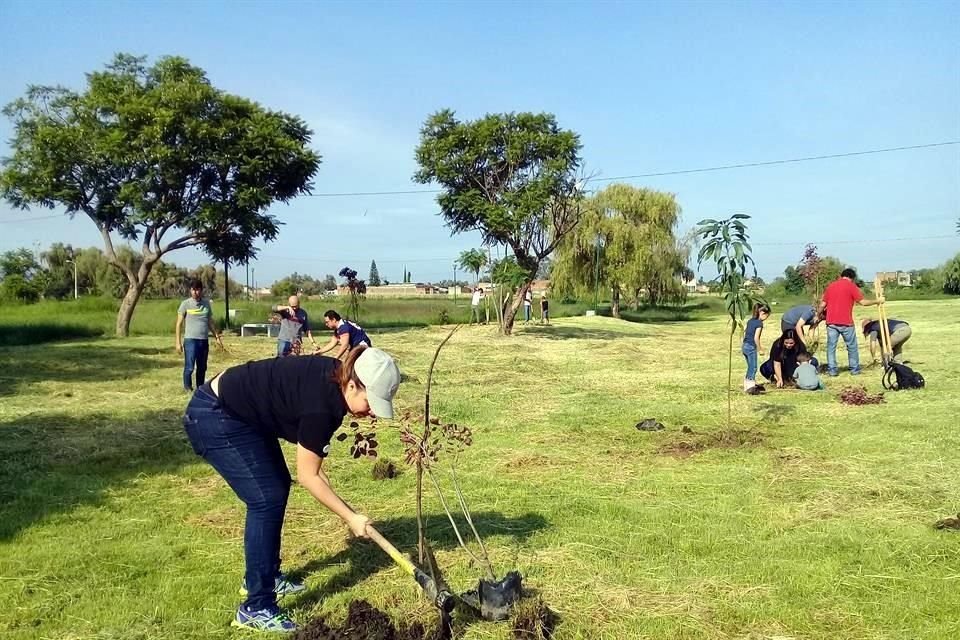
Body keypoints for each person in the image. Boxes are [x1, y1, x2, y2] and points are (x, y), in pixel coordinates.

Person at [182, 346, 401, 632]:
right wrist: (351, 518)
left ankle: (266, 575)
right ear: (351, 384)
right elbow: (309, 477)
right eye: (370, 401)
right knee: (265, 498)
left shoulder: (334, 376)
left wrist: (348, 512)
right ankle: (256, 606)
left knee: (276, 487)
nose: (371, 411)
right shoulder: (323, 406)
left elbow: (315, 471)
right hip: (214, 415)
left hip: (239, 414)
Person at [820, 268, 884, 377]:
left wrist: (818, 314)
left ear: (842, 275)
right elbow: (862, 302)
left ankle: (832, 371)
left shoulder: (831, 286)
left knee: (831, 347)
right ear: (852, 278)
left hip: (831, 323)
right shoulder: (851, 286)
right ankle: (854, 370)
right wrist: (877, 301)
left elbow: (822, 304)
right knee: (852, 347)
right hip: (846, 322)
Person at [176, 279, 223, 392]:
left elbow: (210, 322)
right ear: (190, 290)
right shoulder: (185, 304)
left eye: (198, 290)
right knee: (190, 367)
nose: (195, 292)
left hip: (203, 340)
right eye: (193, 290)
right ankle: (188, 388)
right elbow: (178, 324)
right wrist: (177, 342)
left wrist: (217, 337)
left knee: (202, 367)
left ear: (201, 290)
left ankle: (200, 388)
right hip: (190, 341)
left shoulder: (206, 304)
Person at [742, 303, 770, 392]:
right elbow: (756, 338)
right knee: (753, 367)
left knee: (750, 366)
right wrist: (759, 349)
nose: (766, 318)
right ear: (762, 313)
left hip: (745, 345)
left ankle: (746, 385)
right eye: (767, 316)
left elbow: (744, 332)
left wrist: (743, 343)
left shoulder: (750, 321)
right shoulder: (759, 323)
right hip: (751, 347)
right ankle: (750, 387)